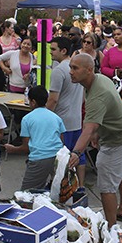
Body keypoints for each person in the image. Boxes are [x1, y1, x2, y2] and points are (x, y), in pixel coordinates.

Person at [68, 54, 122, 227]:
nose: (71, 72)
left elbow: (88, 128)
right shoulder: (97, 79)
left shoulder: (98, 94)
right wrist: (98, 133)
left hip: (117, 139)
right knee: (121, 172)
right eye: (71, 67)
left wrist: (75, 153)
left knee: (106, 186)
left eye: (75, 68)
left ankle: (111, 229)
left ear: (89, 70)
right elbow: (104, 114)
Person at [5, 86, 66, 190]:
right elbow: (61, 140)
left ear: (33, 102)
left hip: (39, 159)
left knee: (27, 193)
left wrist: (12, 149)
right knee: (57, 191)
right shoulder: (56, 117)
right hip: (58, 159)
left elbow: (26, 147)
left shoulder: (27, 119)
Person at [47, 37, 85, 185]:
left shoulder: (58, 70)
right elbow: (83, 97)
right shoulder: (77, 68)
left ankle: (61, 186)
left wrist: (46, 116)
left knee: (61, 157)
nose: (50, 52)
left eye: (53, 49)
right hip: (76, 119)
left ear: (63, 51)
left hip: (61, 121)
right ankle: (80, 186)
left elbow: (53, 99)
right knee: (78, 155)